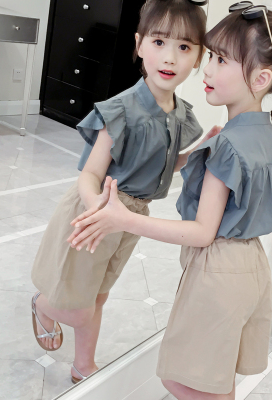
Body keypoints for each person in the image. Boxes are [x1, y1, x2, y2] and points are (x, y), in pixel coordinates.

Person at [68, 2, 272, 398]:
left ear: (261, 77)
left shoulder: (228, 144)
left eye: (222, 60)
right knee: (214, 380)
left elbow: (202, 232)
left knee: (182, 380)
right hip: (253, 266)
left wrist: (123, 218)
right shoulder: (267, 136)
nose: (207, 69)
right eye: (210, 56)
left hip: (218, 273)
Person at [30, 0, 217, 384]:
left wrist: (198, 152)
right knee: (78, 305)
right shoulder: (122, 109)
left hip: (132, 218)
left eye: (184, 47)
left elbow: (164, 166)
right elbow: (90, 174)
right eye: (159, 42)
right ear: (139, 44)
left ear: (199, 57)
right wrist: (98, 208)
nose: (170, 57)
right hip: (97, 212)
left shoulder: (180, 113)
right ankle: (42, 305)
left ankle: (83, 364)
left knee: (98, 295)